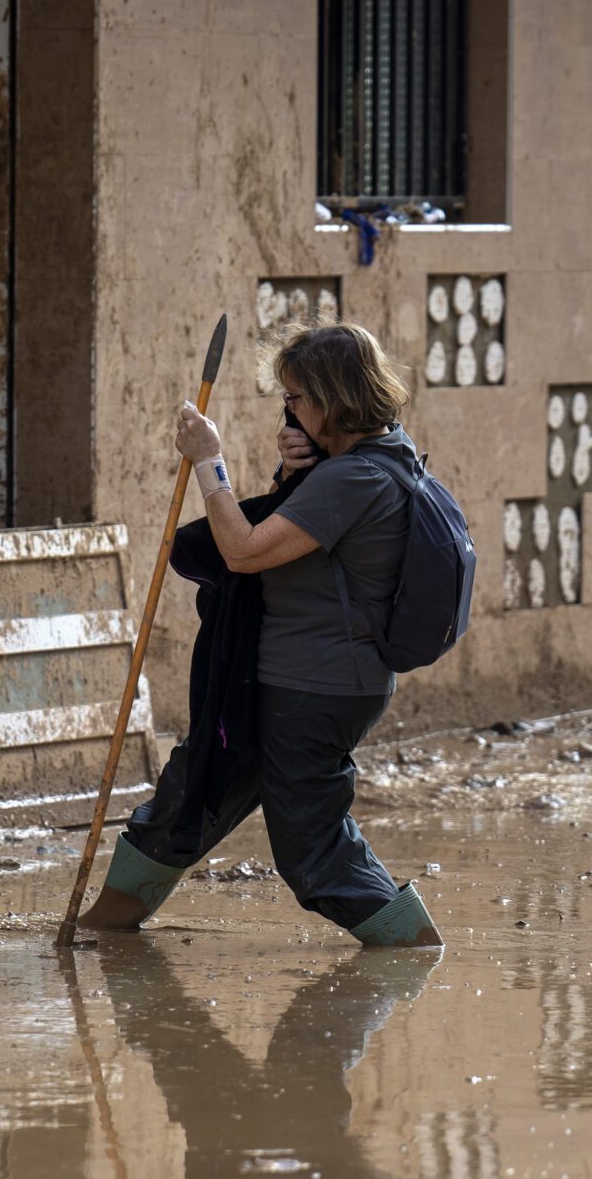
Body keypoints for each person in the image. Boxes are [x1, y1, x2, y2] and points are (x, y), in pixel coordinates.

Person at [80, 322, 441, 947]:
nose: (289, 410)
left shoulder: (355, 479)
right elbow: (301, 546)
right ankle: (102, 930)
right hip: (281, 679)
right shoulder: (366, 460)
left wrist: (208, 462)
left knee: (313, 851)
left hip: (316, 688)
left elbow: (245, 553)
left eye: (297, 396)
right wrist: (291, 476)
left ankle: (414, 953)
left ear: (335, 397)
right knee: (189, 796)